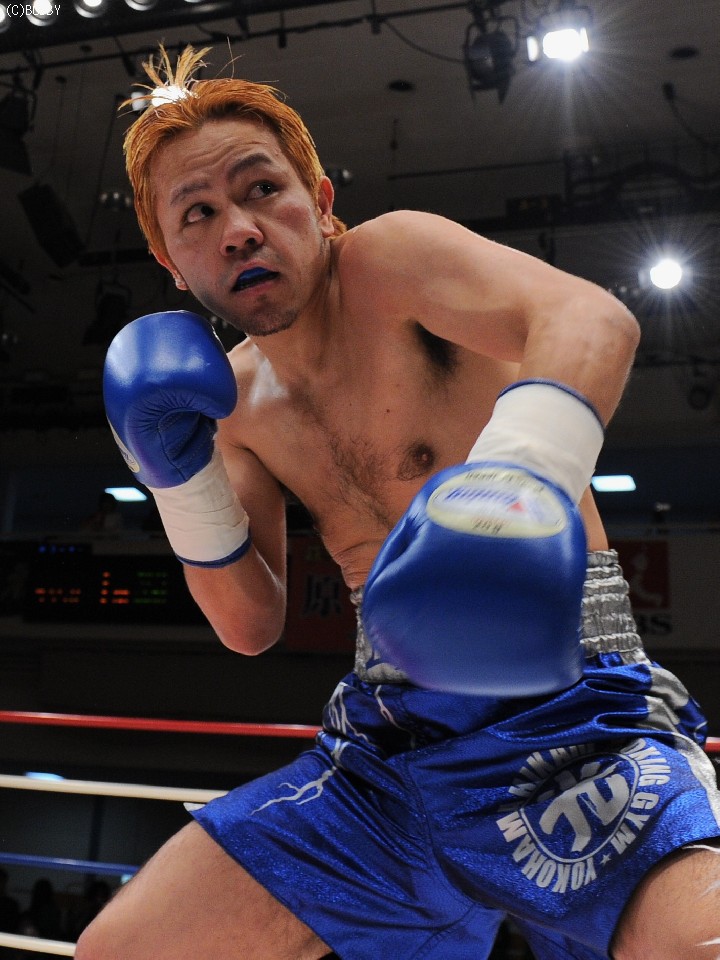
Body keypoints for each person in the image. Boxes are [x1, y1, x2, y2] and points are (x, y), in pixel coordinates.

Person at [77, 45, 720, 960]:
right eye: (199, 214)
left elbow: (590, 319)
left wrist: (511, 489)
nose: (239, 230)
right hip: (388, 751)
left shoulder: (390, 264)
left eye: (262, 191)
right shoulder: (229, 405)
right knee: (124, 952)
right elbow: (249, 624)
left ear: (319, 202)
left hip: (570, 705)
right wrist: (176, 482)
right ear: (171, 262)